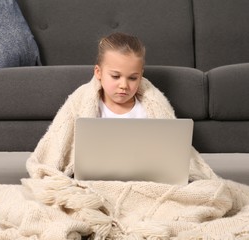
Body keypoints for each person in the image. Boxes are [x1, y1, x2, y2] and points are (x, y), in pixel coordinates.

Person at [26, 32, 217, 181]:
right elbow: (59, 141)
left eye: (133, 78)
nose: (124, 85)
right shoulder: (85, 101)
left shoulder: (149, 105)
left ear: (141, 75)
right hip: (96, 179)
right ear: (98, 72)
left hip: (145, 177)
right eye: (115, 76)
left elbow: (171, 153)